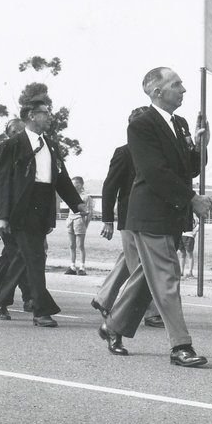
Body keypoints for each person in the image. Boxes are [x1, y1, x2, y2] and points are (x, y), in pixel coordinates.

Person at [97, 67, 212, 367]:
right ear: (157, 92)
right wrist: (192, 198)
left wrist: (201, 145)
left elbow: (190, 168)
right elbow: (154, 171)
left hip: (171, 215)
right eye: (177, 84)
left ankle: (113, 325)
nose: (184, 89)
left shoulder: (181, 124)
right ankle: (180, 346)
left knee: (147, 280)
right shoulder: (142, 125)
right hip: (149, 215)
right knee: (167, 279)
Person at [0, 98, 86, 328]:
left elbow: (61, 179)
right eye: (45, 112)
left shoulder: (51, 145)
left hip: (42, 206)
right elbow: (1, 183)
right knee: (35, 258)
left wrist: (78, 204)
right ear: (32, 115)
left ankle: (0, 297)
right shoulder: (11, 145)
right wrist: (1, 216)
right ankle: (41, 310)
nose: (50, 116)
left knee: (25, 257)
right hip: (21, 209)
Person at [91, 106, 164, 328]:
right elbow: (109, 187)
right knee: (140, 266)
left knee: (130, 260)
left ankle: (103, 298)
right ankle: (150, 312)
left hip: (149, 217)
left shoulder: (155, 151)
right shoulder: (124, 152)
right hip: (130, 219)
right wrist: (107, 220)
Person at [0, 118, 32, 318]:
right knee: (17, 256)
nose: (20, 134)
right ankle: (4, 299)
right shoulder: (0, 157)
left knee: (15, 257)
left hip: (29, 218)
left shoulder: (34, 154)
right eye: (15, 132)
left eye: (22, 131)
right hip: (8, 218)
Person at [64, 176, 94, 276]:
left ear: (81, 184)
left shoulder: (86, 197)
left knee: (80, 245)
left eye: (76, 183)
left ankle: (82, 267)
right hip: (70, 220)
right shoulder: (70, 196)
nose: (74, 185)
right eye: (72, 184)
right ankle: (72, 266)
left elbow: (89, 213)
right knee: (71, 245)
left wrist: (85, 224)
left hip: (79, 221)